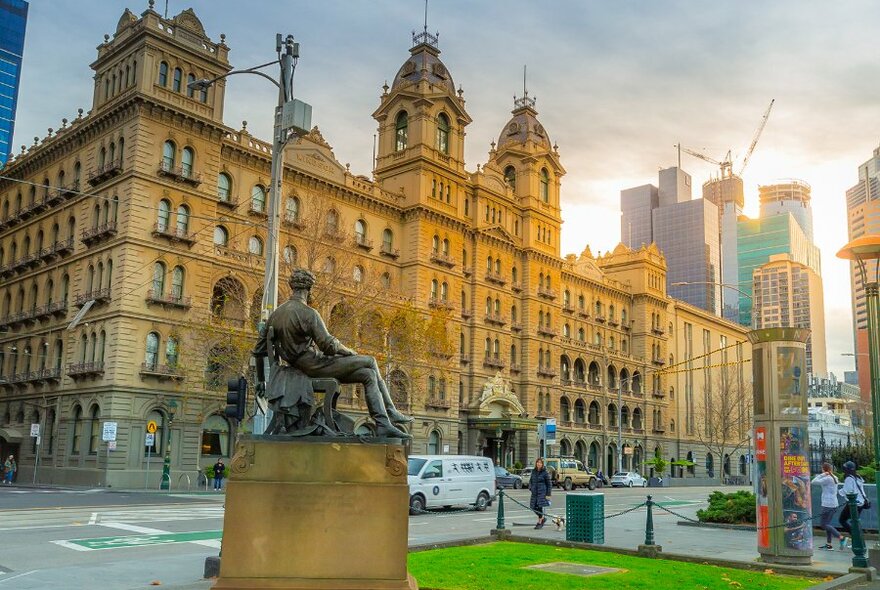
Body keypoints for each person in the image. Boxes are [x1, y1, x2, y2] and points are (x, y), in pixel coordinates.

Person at [253, 269, 412, 439]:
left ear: (292, 288)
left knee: (368, 375)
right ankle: (391, 412)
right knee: (370, 361)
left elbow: (258, 352)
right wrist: (348, 352)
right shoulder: (308, 313)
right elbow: (328, 345)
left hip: (300, 366)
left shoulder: (276, 314)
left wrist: (261, 381)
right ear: (309, 290)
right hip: (315, 366)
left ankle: (383, 424)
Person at [812, 462, 843, 550]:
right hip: (834, 503)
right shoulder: (835, 477)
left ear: (823, 469)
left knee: (823, 524)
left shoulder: (827, 479)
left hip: (827, 504)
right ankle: (829, 544)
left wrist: (822, 474)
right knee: (827, 524)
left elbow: (813, 481)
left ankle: (840, 537)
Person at [838, 460, 869, 549]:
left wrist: (838, 492)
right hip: (861, 503)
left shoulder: (849, 478)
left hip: (853, 503)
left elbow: (848, 491)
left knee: (842, 520)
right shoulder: (857, 477)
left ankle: (855, 539)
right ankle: (858, 539)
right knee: (856, 522)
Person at [528, 458, 552, 529]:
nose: (539, 464)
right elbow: (531, 481)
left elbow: (549, 484)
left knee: (539, 506)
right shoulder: (534, 471)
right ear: (536, 463)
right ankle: (542, 518)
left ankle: (540, 521)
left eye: (540, 463)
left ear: (542, 464)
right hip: (534, 492)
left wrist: (548, 494)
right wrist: (530, 488)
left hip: (542, 492)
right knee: (532, 507)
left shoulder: (545, 472)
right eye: (538, 462)